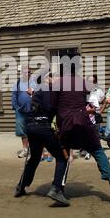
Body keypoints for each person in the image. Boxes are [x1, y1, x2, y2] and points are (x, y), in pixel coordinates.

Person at [51, 58, 110, 197]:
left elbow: (53, 105)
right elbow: (90, 99)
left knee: (63, 156)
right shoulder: (83, 83)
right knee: (97, 150)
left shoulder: (58, 83)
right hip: (82, 121)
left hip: (66, 123)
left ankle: (57, 189)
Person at [14, 73, 70, 206]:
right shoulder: (51, 92)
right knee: (62, 158)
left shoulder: (38, 91)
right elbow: (54, 109)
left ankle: (21, 186)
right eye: (54, 77)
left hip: (31, 127)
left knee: (34, 158)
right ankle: (57, 188)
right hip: (43, 127)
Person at [12, 66, 35, 158]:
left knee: (32, 131)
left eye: (29, 72)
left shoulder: (35, 83)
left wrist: (32, 94)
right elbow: (14, 95)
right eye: (25, 72)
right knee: (22, 131)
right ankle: (25, 149)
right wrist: (16, 107)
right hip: (20, 111)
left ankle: (32, 150)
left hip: (32, 111)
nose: (27, 74)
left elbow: (38, 95)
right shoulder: (17, 83)